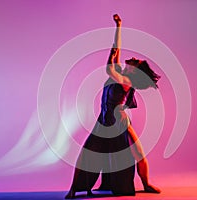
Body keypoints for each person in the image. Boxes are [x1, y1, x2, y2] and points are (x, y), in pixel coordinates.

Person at [65, 14, 161, 199]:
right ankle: (74, 188)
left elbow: (109, 67)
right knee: (87, 153)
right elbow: (117, 50)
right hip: (104, 120)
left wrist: (112, 53)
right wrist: (118, 26)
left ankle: (146, 183)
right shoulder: (121, 74)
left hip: (119, 123)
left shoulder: (125, 80)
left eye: (136, 61)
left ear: (135, 70)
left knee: (138, 152)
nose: (132, 58)